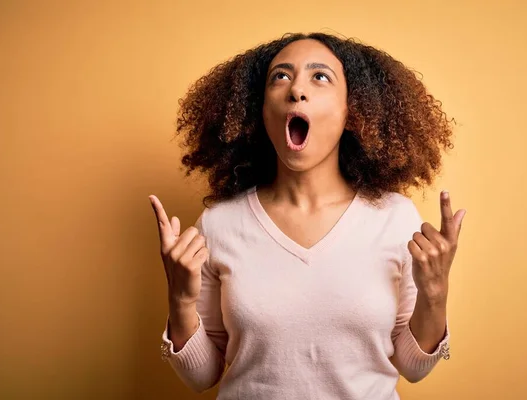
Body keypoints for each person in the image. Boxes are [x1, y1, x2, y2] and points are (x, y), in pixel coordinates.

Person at [149, 32, 466, 400]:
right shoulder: (220, 224)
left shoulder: (394, 219)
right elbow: (202, 377)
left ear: (353, 111)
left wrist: (435, 293)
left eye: (320, 77)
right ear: (262, 112)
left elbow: (413, 368)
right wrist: (180, 302)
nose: (296, 89)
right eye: (280, 77)